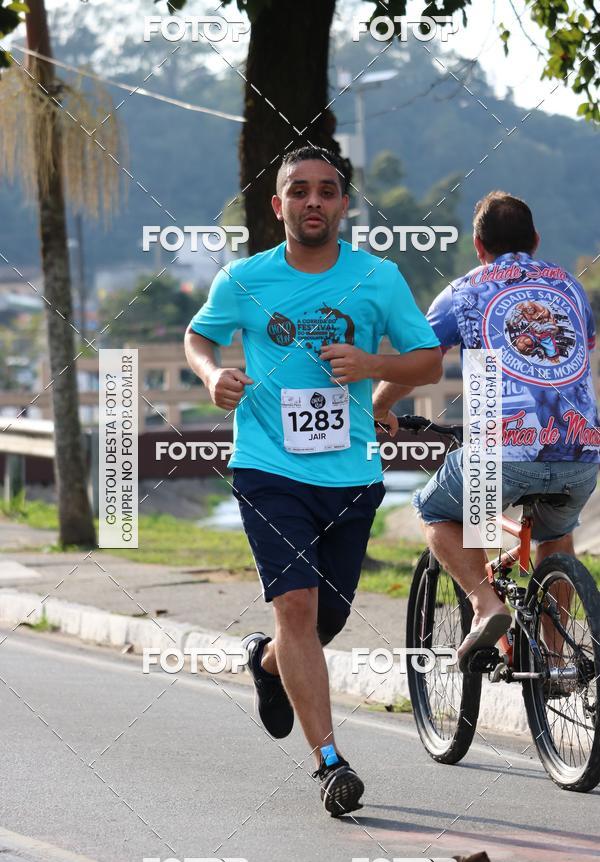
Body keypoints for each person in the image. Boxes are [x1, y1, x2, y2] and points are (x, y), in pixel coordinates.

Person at [184, 145, 442, 816]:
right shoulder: (244, 279)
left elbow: (428, 363)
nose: (313, 202)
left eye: (326, 191)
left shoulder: (378, 279)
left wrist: (370, 362)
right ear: (279, 206)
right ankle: (331, 763)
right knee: (295, 609)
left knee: (325, 620)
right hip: (268, 467)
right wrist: (214, 377)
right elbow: (198, 338)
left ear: (344, 205)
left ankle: (269, 663)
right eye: (299, 191)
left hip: (351, 474)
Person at [372, 191, 600, 670]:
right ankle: (554, 665)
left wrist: (379, 407)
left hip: (506, 450)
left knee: (434, 509)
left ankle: (486, 605)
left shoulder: (463, 291)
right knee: (555, 539)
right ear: (535, 240)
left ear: (478, 246)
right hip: (582, 451)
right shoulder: (571, 288)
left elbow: (422, 359)